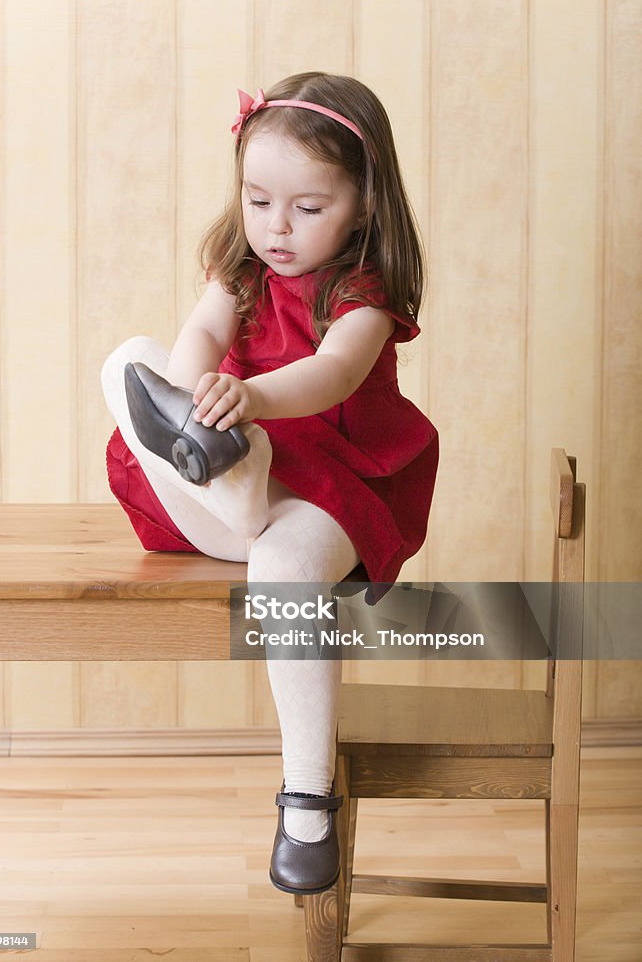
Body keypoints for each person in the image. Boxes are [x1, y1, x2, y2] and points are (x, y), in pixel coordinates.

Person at [101, 72, 438, 896]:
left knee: (284, 569)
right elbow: (200, 335)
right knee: (127, 360)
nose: (275, 228)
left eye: (307, 208)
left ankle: (306, 800)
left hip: (326, 491)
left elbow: (329, 374)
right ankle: (219, 461)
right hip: (223, 485)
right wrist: (193, 407)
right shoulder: (240, 267)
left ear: (363, 205)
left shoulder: (362, 295)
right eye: (257, 201)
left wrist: (247, 399)